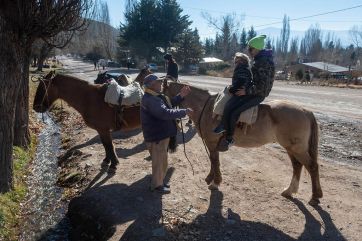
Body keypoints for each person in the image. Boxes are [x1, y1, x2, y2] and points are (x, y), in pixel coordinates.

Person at [215, 34, 275, 151]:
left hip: (258, 95)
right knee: (230, 104)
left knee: (235, 112)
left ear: (257, 49)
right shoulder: (260, 60)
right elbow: (254, 80)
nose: (249, 51)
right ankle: (223, 125)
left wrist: (246, 91)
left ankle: (229, 138)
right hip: (252, 92)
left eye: (251, 49)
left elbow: (263, 86)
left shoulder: (263, 63)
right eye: (249, 48)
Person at [141, 74, 193, 193]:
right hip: (157, 136)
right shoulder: (151, 99)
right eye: (158, 82)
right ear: (151, 85)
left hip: (160, 135)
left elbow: (168, 104)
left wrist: (181, 96)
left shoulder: (155, 96)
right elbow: (164, 113)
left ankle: (159, 182)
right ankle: (157, 186)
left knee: (162, 160)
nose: (160, 84)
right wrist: (184, 111)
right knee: (159, 162)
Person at [213, 52, 255, 149]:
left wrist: (231, 89)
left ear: (243, 61)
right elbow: (238, 81)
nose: (236, 61)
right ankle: (223, 124)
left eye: (238, 60)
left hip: (241, 93)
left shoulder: (241, 69)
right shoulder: (243, 68)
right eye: (235, 60)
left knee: (229, 107)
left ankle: (228, 133)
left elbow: (240, 83)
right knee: (228, 105)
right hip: (240, 90)